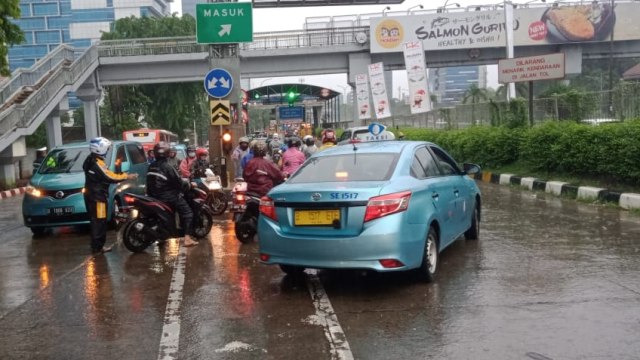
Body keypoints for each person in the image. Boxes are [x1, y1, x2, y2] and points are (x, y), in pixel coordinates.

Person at [83, 137, 138, 254]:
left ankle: (97, 246)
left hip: (92, 195)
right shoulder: (97, 163)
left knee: (96, 220)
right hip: (97, 197)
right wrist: (126, 176)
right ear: (100, 149)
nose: (107, 151)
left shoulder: (89, 160)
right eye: (106, 148)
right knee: (99, 221)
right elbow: (110, 177)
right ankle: (98, 247)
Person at [147, 142, 198, 247]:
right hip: (168, 197)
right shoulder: (168, 167)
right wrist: (188, 184)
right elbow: (178, 182)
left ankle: (163, 235)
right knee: (188, 213)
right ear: (167, 153)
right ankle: (187, 239)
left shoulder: (151, 165)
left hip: (153, 196)